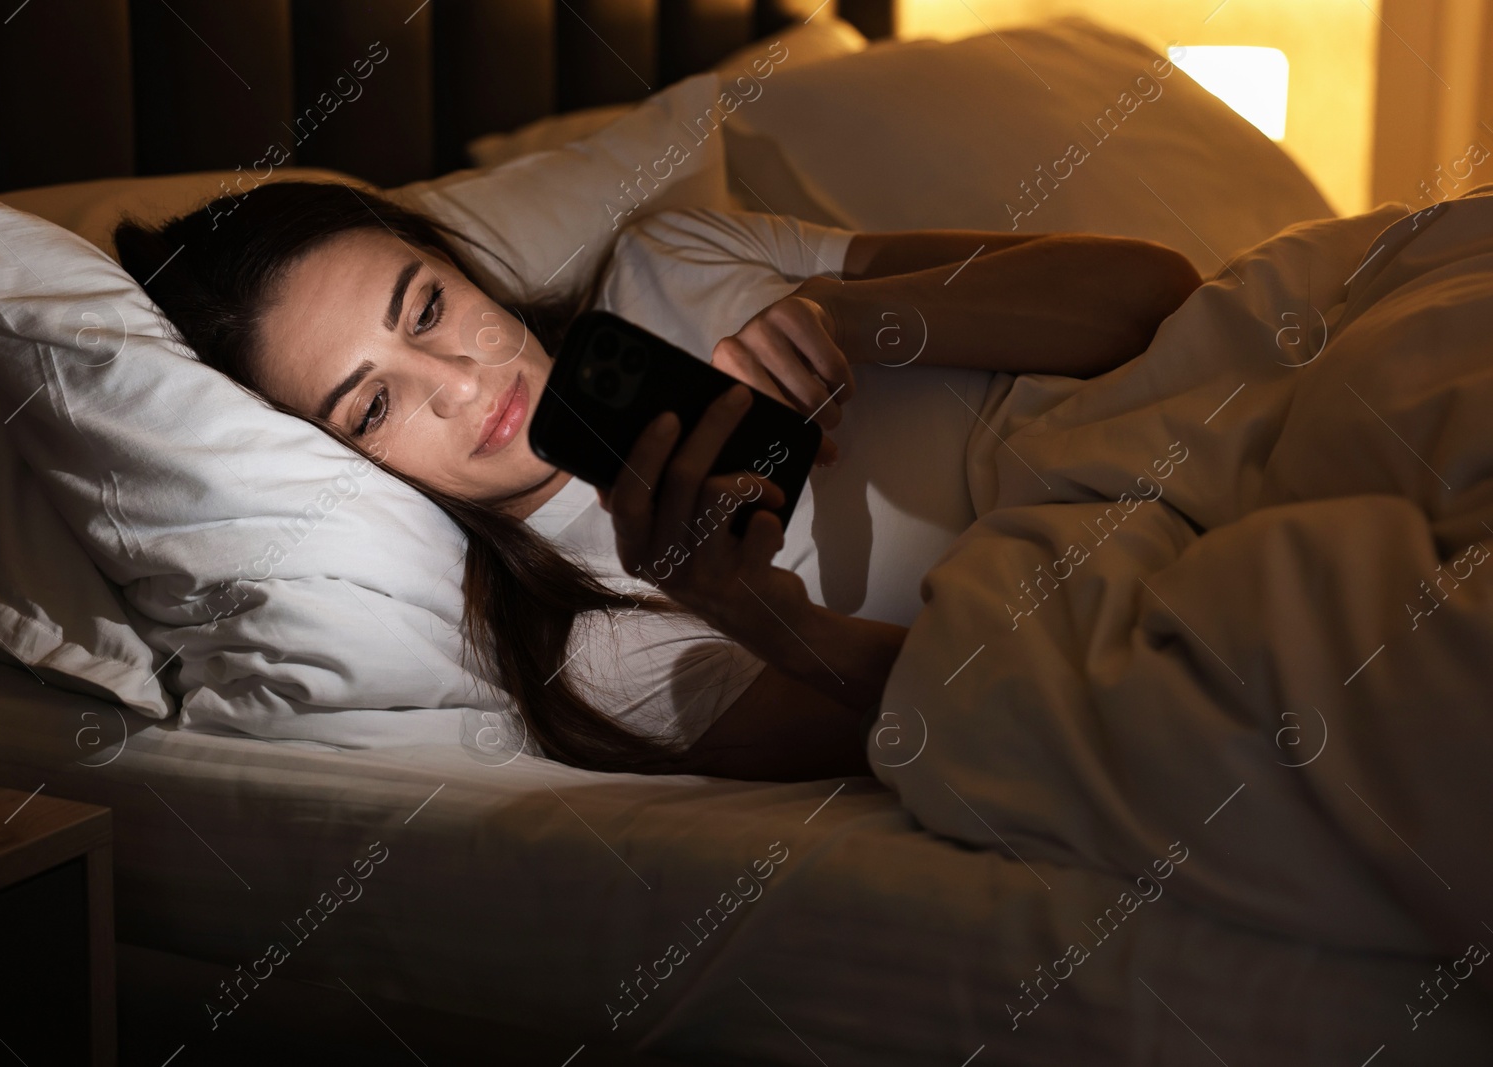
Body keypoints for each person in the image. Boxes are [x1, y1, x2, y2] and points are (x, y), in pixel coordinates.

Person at [114, 181, 1201, 781]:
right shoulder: (588, 642)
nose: (453, 383)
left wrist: (862, 321)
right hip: (1176, 568)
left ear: (462, 269)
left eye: (428, 308)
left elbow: (1157, 288)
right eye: (373, 405)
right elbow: (1005, 717)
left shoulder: (666, 256)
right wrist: (755, 611)